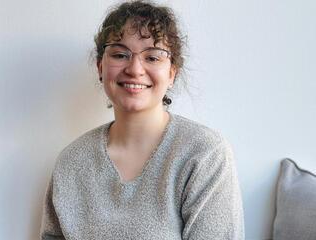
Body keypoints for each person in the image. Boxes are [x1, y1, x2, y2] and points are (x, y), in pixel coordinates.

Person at [40, 1, 245, 239]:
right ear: (100, 68)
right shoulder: (71, 162)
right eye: (119, 54)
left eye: (153, 57)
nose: (135, 68)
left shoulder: (204, 154)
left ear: (171, 73)